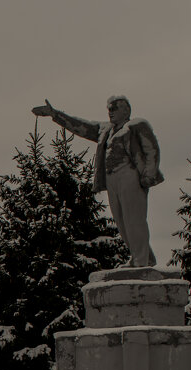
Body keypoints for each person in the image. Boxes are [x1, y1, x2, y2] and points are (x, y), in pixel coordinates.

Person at [33, 96, 163, 267]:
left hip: (130, 175)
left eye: (115, 108)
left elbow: (152, 150)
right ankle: (143, 257)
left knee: (134, 219)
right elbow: (82, 127)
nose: (110, 111)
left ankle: (141, 260)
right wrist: (55, 115)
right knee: (121, 221)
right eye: (109, 108)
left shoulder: (137, 126)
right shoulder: (105, 130)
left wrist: (148, 175)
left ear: (126, 110)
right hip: (111, 179)